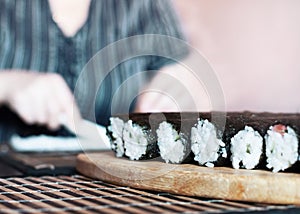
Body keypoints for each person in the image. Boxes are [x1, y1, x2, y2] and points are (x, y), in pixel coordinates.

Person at [0, 0, 189, 141]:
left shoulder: (144, 4)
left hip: (112, 183)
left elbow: (175, 72)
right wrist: (7, 85)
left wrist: (164, 94)